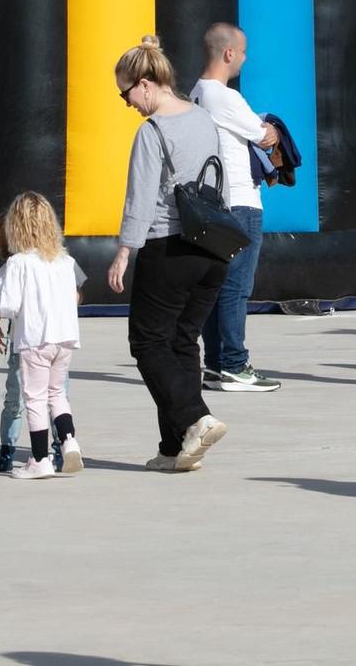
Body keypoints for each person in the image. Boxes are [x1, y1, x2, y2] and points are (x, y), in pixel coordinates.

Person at [106, 35, 230, 474]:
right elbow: (221, 185)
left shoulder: (152, 131)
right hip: (213, 249)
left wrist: (124, 252)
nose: (127, 103)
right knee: (181, 342)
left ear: (144, 84)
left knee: (146, 341)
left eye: (125, 94)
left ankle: (196, 418)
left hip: (168, 247)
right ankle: (174, 447)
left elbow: (140, 199)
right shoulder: (202, 119)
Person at [190, 22, 281, 394]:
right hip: (241, 202)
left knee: (216, 286)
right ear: (229, 54)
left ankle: (215, 364)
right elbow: (265, 135)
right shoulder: (225, 97)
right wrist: (271, 129)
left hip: (215, 204)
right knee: (236, 287)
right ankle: (234, 363)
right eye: (242, 52)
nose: (244, 59)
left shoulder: (196, 93)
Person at [0, 191, 85, 480]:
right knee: (58, 394)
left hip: (35, 339)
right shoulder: (64, 261)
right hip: (64, 339)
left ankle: (40, 459)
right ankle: (69, 440)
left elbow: (7, 305)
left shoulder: (18, 263)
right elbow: (73, 297)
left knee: (35, 399)